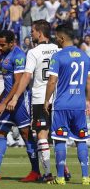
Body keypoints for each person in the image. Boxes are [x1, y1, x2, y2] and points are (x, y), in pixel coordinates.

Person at [0, 30, 40, 182]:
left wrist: (5, 102)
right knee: (0, 132)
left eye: (2, 45)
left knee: (25, 134)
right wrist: (2, 98)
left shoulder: (19, 56)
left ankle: (36, 171)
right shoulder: (5, 55)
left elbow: (18, 82)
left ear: (12, 43)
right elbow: (9, 82)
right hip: (7, 100)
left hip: (19, 102)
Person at [7, 20, 59, 181]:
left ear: (40, 33)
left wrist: (15, 97)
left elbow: (26, 76)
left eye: (33, 31)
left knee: (42, 135)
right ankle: (64, 171)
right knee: (58, 137)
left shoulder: (33, 52)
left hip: (39, 98)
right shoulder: (58, 50)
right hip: (56, 99)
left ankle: (48, 173)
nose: (31, 34)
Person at [44, 23, 90, 185]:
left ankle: (60, 178)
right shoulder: (85, 56)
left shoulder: (58, 56)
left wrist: (46, 101)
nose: (56, 39)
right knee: (81, 140)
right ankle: (86, 177)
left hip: (62, 105)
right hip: (79, 106)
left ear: (62, 38)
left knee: (60, 140)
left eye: (57, 37)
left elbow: (52, 82)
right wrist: (88, 100)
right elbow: (89, 82)